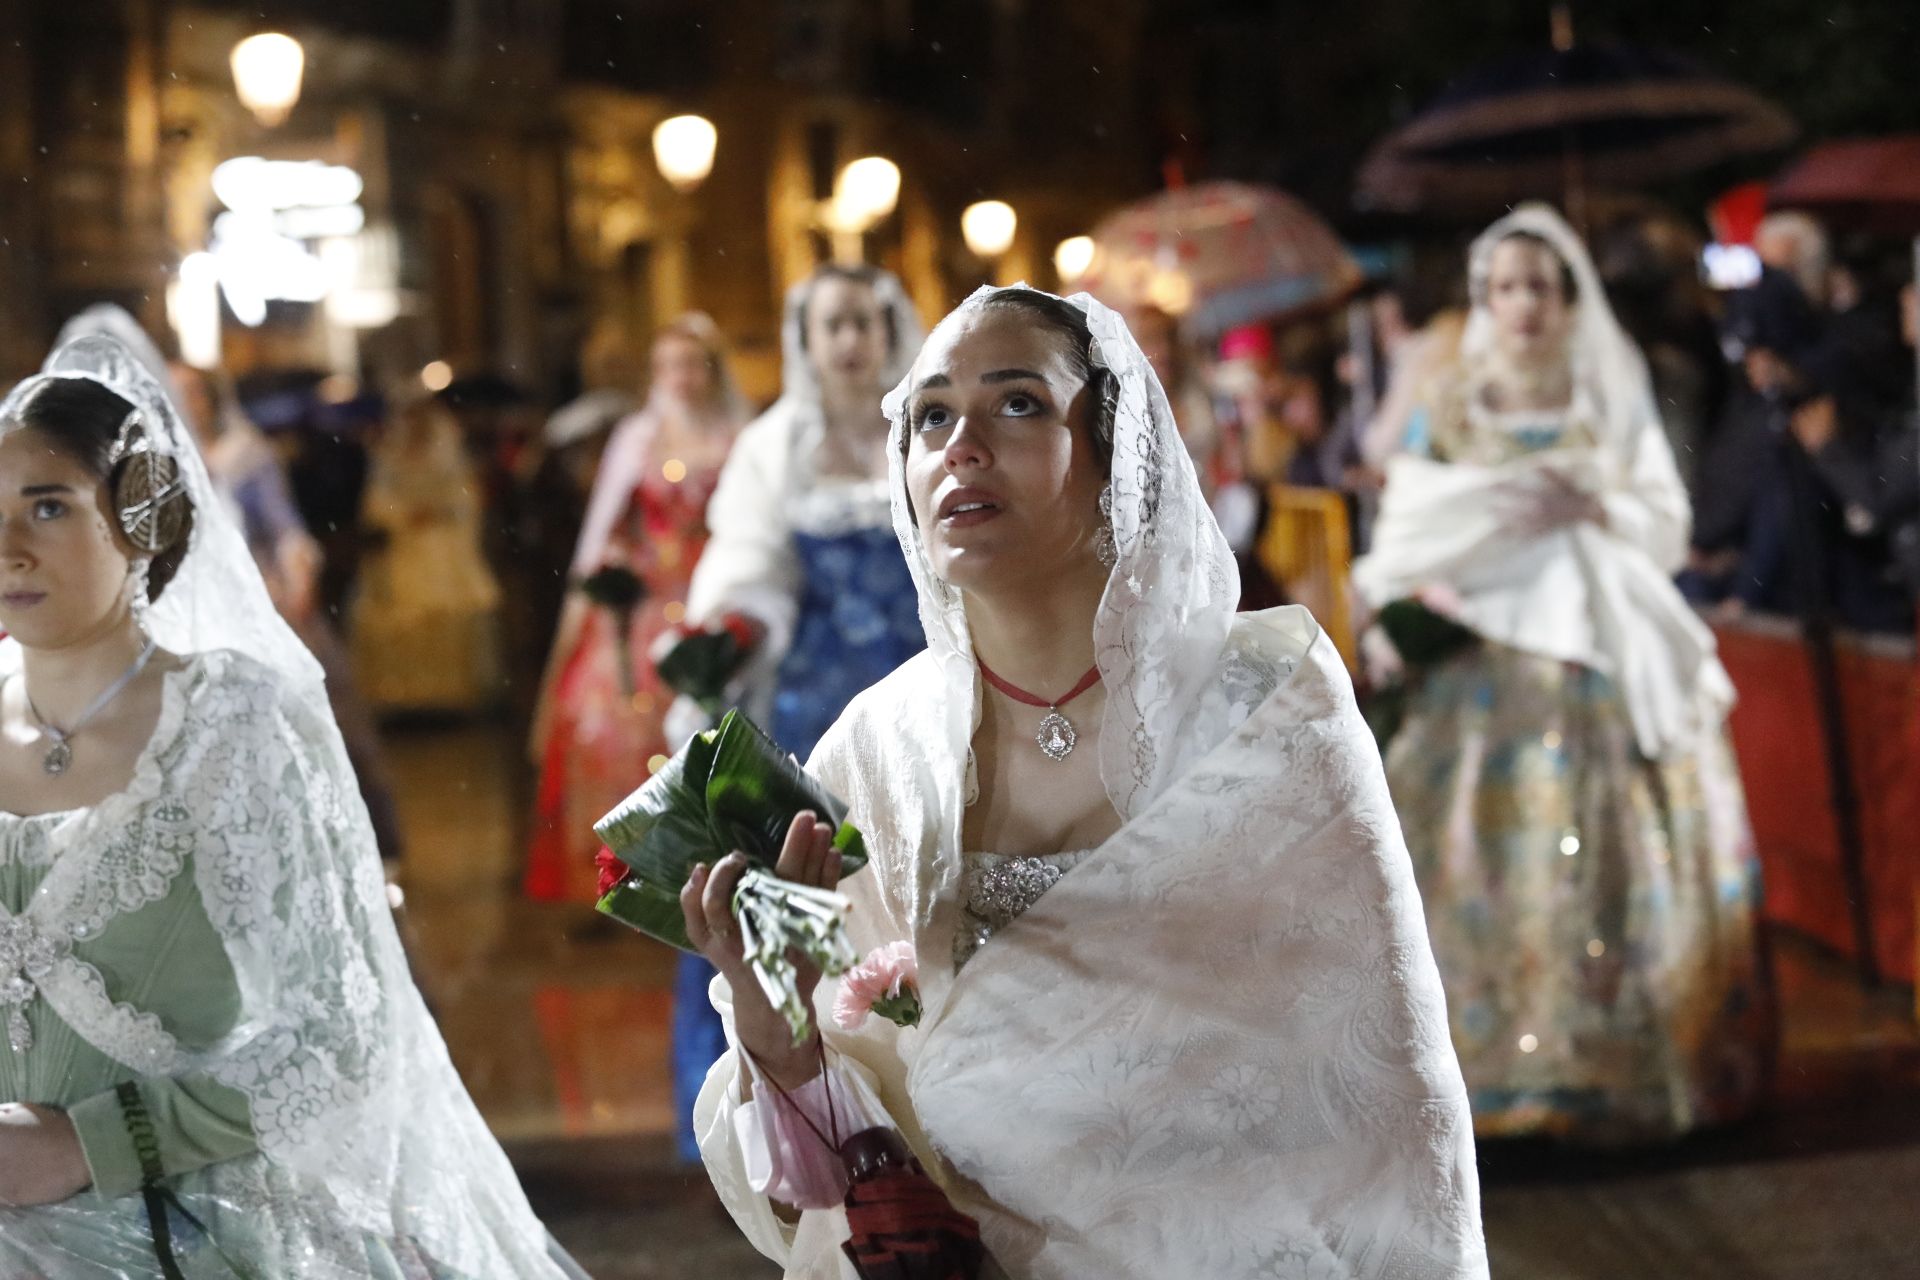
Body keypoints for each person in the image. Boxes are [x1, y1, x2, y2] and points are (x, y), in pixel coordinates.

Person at [681, 287, 1487, 1278]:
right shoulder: (875, 752)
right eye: (930, 414)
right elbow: (824, 1178)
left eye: (1017, 402)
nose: (960, 444)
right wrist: (781, 1041)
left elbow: (1385, 1107)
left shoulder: (1267, 711)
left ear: (1117, 451)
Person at [0, 329, 582, 1275]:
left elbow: (339, 1040)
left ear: (139, 519)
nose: (9, 545)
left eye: (49, 507)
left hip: (181, 1233)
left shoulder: (231, 725)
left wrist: (85, 1145)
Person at [1353, 206, 1770, 1143]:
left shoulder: (1607, 392)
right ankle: (1483, 1071)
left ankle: (1618, 1061)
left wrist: (1594, 502)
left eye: (1541, 284)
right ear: (1484, 298)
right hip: (1483, 652)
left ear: (1568, 296)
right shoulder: (1457, 400)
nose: (1524, 304)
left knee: (1610, 835)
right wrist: (1475, 543)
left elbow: (1664, 515)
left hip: (1599, 635)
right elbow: (1415, 516)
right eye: (1505, 286)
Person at [666, 267, 927, 1163]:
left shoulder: (927, 429)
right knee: (818, 892)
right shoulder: (774, 447)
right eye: (834, 326)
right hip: (820, 710)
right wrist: (732, 629)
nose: (851, 341)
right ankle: (814, 1099)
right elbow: (749, 568)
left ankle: (925, 1070)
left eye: (866, 320)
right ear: (806, 342)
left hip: (927, 689)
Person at [526, 314, 750, 904]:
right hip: (649, 604)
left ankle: (705, 871)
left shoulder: (740, 436)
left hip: (713, 595)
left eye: (692, 364)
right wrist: (610, 575)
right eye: (669, 366)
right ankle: (628, 878)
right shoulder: (638, 439)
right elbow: (610, 527)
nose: (680, 378)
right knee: (612, 726)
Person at [352, 397, 504, 714]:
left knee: (443, 606)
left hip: (441, 544)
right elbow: (377, 501)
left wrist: (437, 511)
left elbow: (465, 497)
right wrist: (405, 514)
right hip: (404, 543)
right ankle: (404, 694)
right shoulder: (391, 455)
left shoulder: (446, 451)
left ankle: (449, 694)